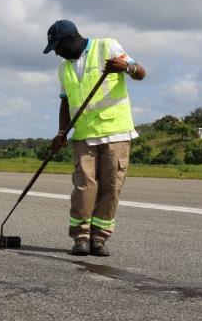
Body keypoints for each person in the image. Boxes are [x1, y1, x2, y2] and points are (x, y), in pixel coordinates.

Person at [45, 20, 146, 256]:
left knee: (111, 187)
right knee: (84, 187)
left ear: (71, 38)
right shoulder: (64, 68)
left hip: (115, 132)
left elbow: (141, 73)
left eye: (57, 46)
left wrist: (125, 67)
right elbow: (65, 102)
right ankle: (80, 237)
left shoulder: (107, 47)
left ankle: (98, 239)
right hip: (83, 135)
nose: (57, 52)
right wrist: (62, 132)